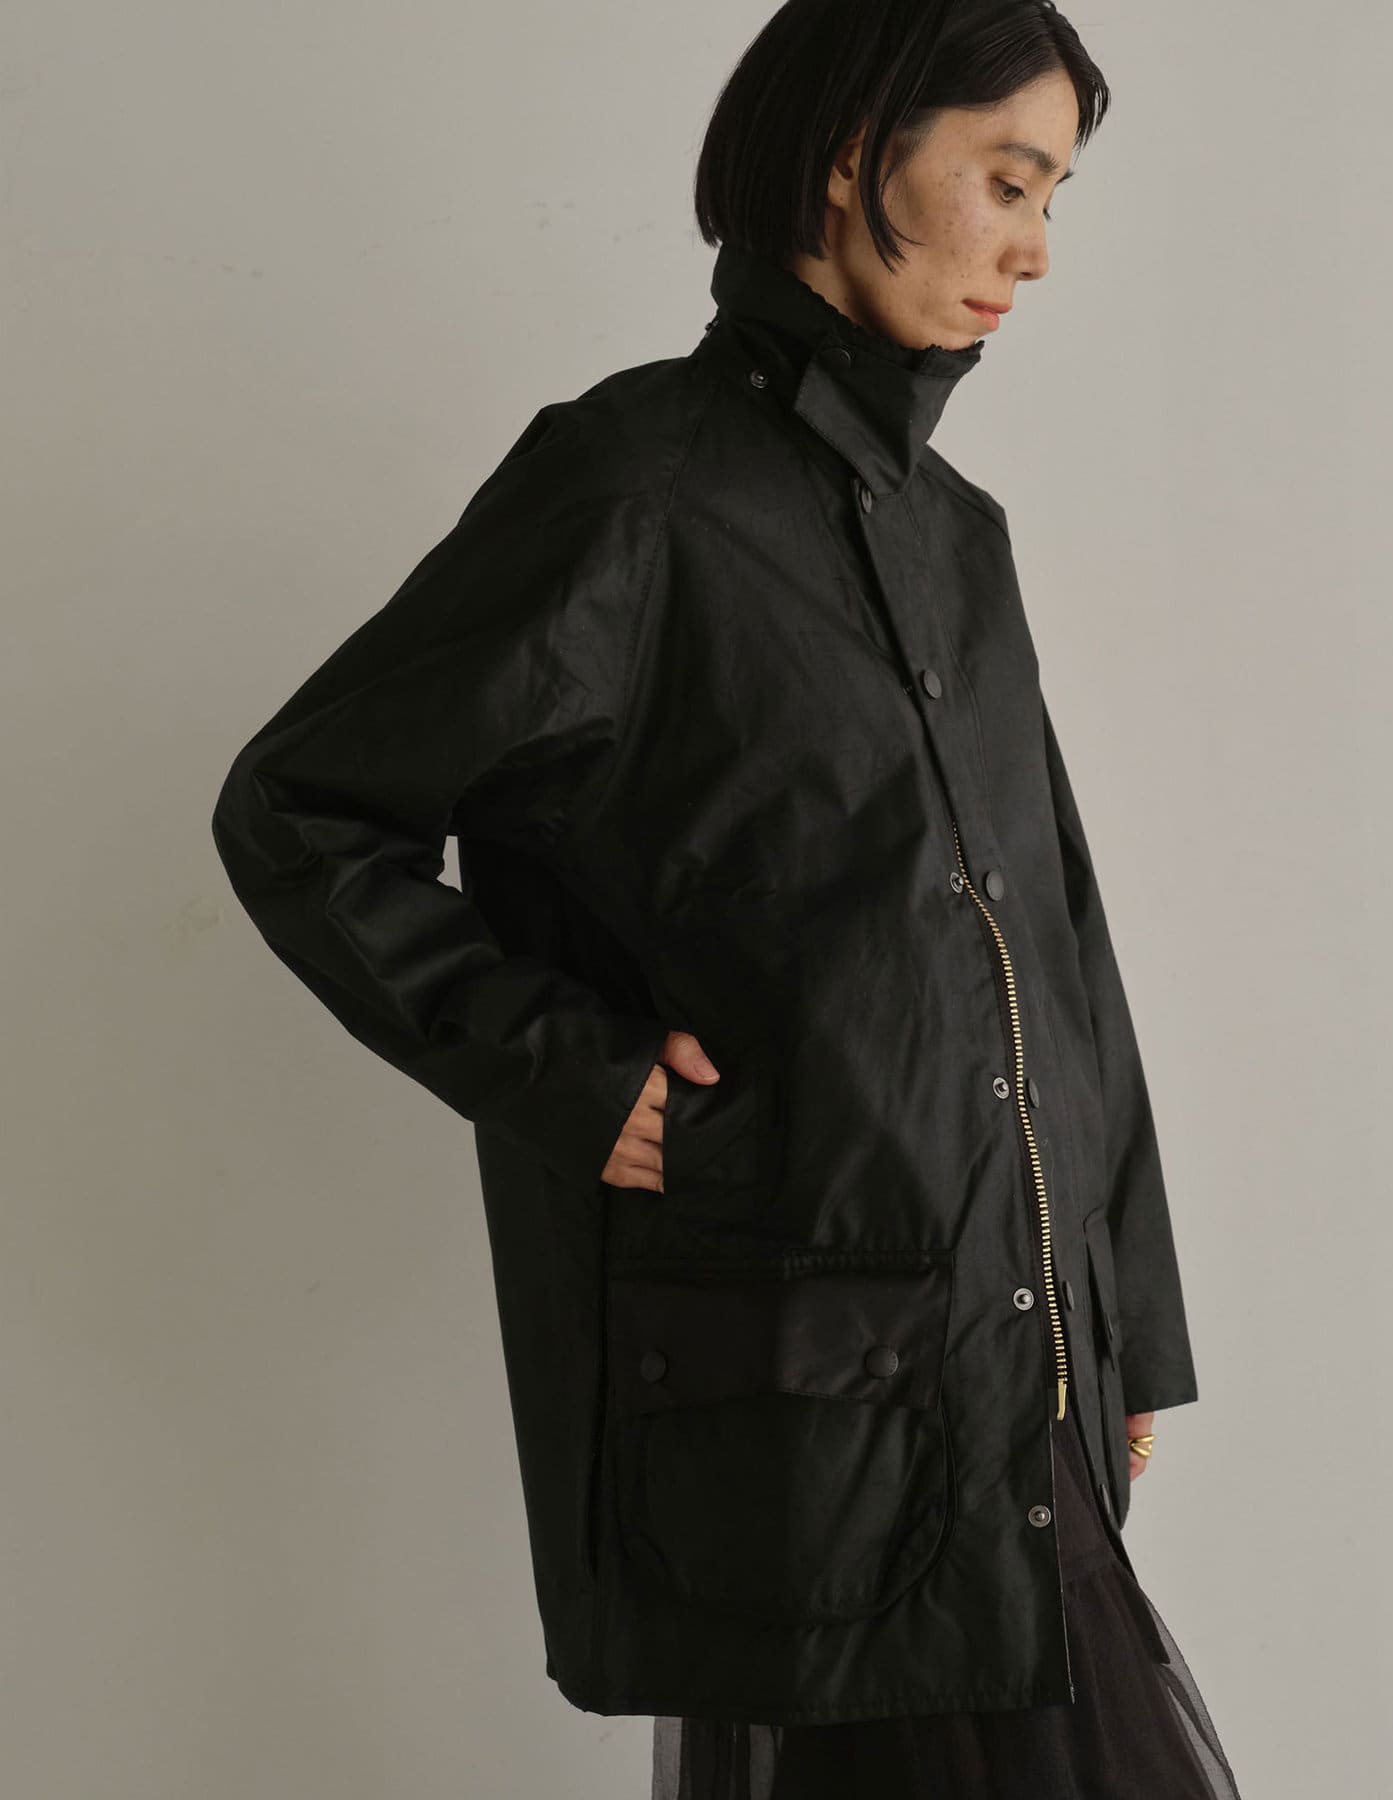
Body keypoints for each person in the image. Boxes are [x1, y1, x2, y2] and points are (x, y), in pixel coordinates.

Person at [211, 2, 1243, 1794]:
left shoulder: (958, 534)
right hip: (802, 1384)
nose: (1036, 251)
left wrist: (1126, 1313)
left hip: (1022, 1359)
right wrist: (567, 1071)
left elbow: (1057, 941)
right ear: (851, 157)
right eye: (1008, 182)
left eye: (1055, 198)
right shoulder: (635, 486)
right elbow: (301, 811)